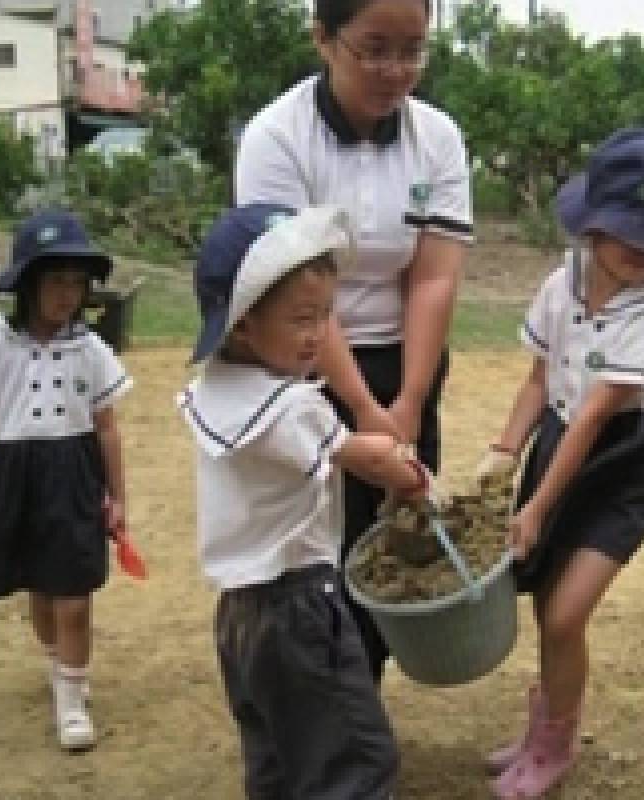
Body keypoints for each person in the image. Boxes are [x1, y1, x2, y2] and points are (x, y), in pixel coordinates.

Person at [234, 0, 472, 680]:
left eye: (413, 49)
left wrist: (409, 402)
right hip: (298, 357)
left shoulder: (439, 139)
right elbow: (297, 293)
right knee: (312, 550)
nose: (396, 70)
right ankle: (315, 711)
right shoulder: (276, 138)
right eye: (374, 48)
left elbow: (431, 279)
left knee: (389, 544)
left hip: (406, 360)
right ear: (323, 40)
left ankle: (356, 705)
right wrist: (366, 411)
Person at [479, 128, 644, 798]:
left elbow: (597, 417)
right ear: (590, 228)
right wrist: (502, 453)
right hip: (560, 443)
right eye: (627, 233)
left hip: (624, 461)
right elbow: (537, 380)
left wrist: (537, 506)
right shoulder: (563, 283)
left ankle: (555, 744)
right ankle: (539, 728)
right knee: (547, 597)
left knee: (564, 614)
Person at [178, 204, 435, 799]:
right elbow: (366, 458)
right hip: (300, 607)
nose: (319, 334)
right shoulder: (294, 408)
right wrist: (406, 470)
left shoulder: (218, 391)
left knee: (277, 760)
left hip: (241, 617)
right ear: (242, 323)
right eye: (301, 319)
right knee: (354, 763)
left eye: (325, 316)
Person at [0, 210, 132, 751]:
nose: (67, 294)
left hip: (74, 475)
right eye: (55, 281)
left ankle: (72, 696)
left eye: (77, 283)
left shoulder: (92, 350)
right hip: (15, 474)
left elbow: (109, 429)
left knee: (74, 594)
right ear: (27, 284)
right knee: (40, 588)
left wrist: (117, 496)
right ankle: (59, 665)